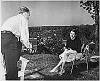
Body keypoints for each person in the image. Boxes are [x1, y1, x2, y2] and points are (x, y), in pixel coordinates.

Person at [1, 6, 32, 80]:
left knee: (7, 64)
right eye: (29, 15)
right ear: (25, 13)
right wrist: (29, 46)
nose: (29, 17)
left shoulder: (14, 19)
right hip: (9, 39)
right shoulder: (23, 19)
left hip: (2, 38)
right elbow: (24, 37)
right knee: (12, 66)